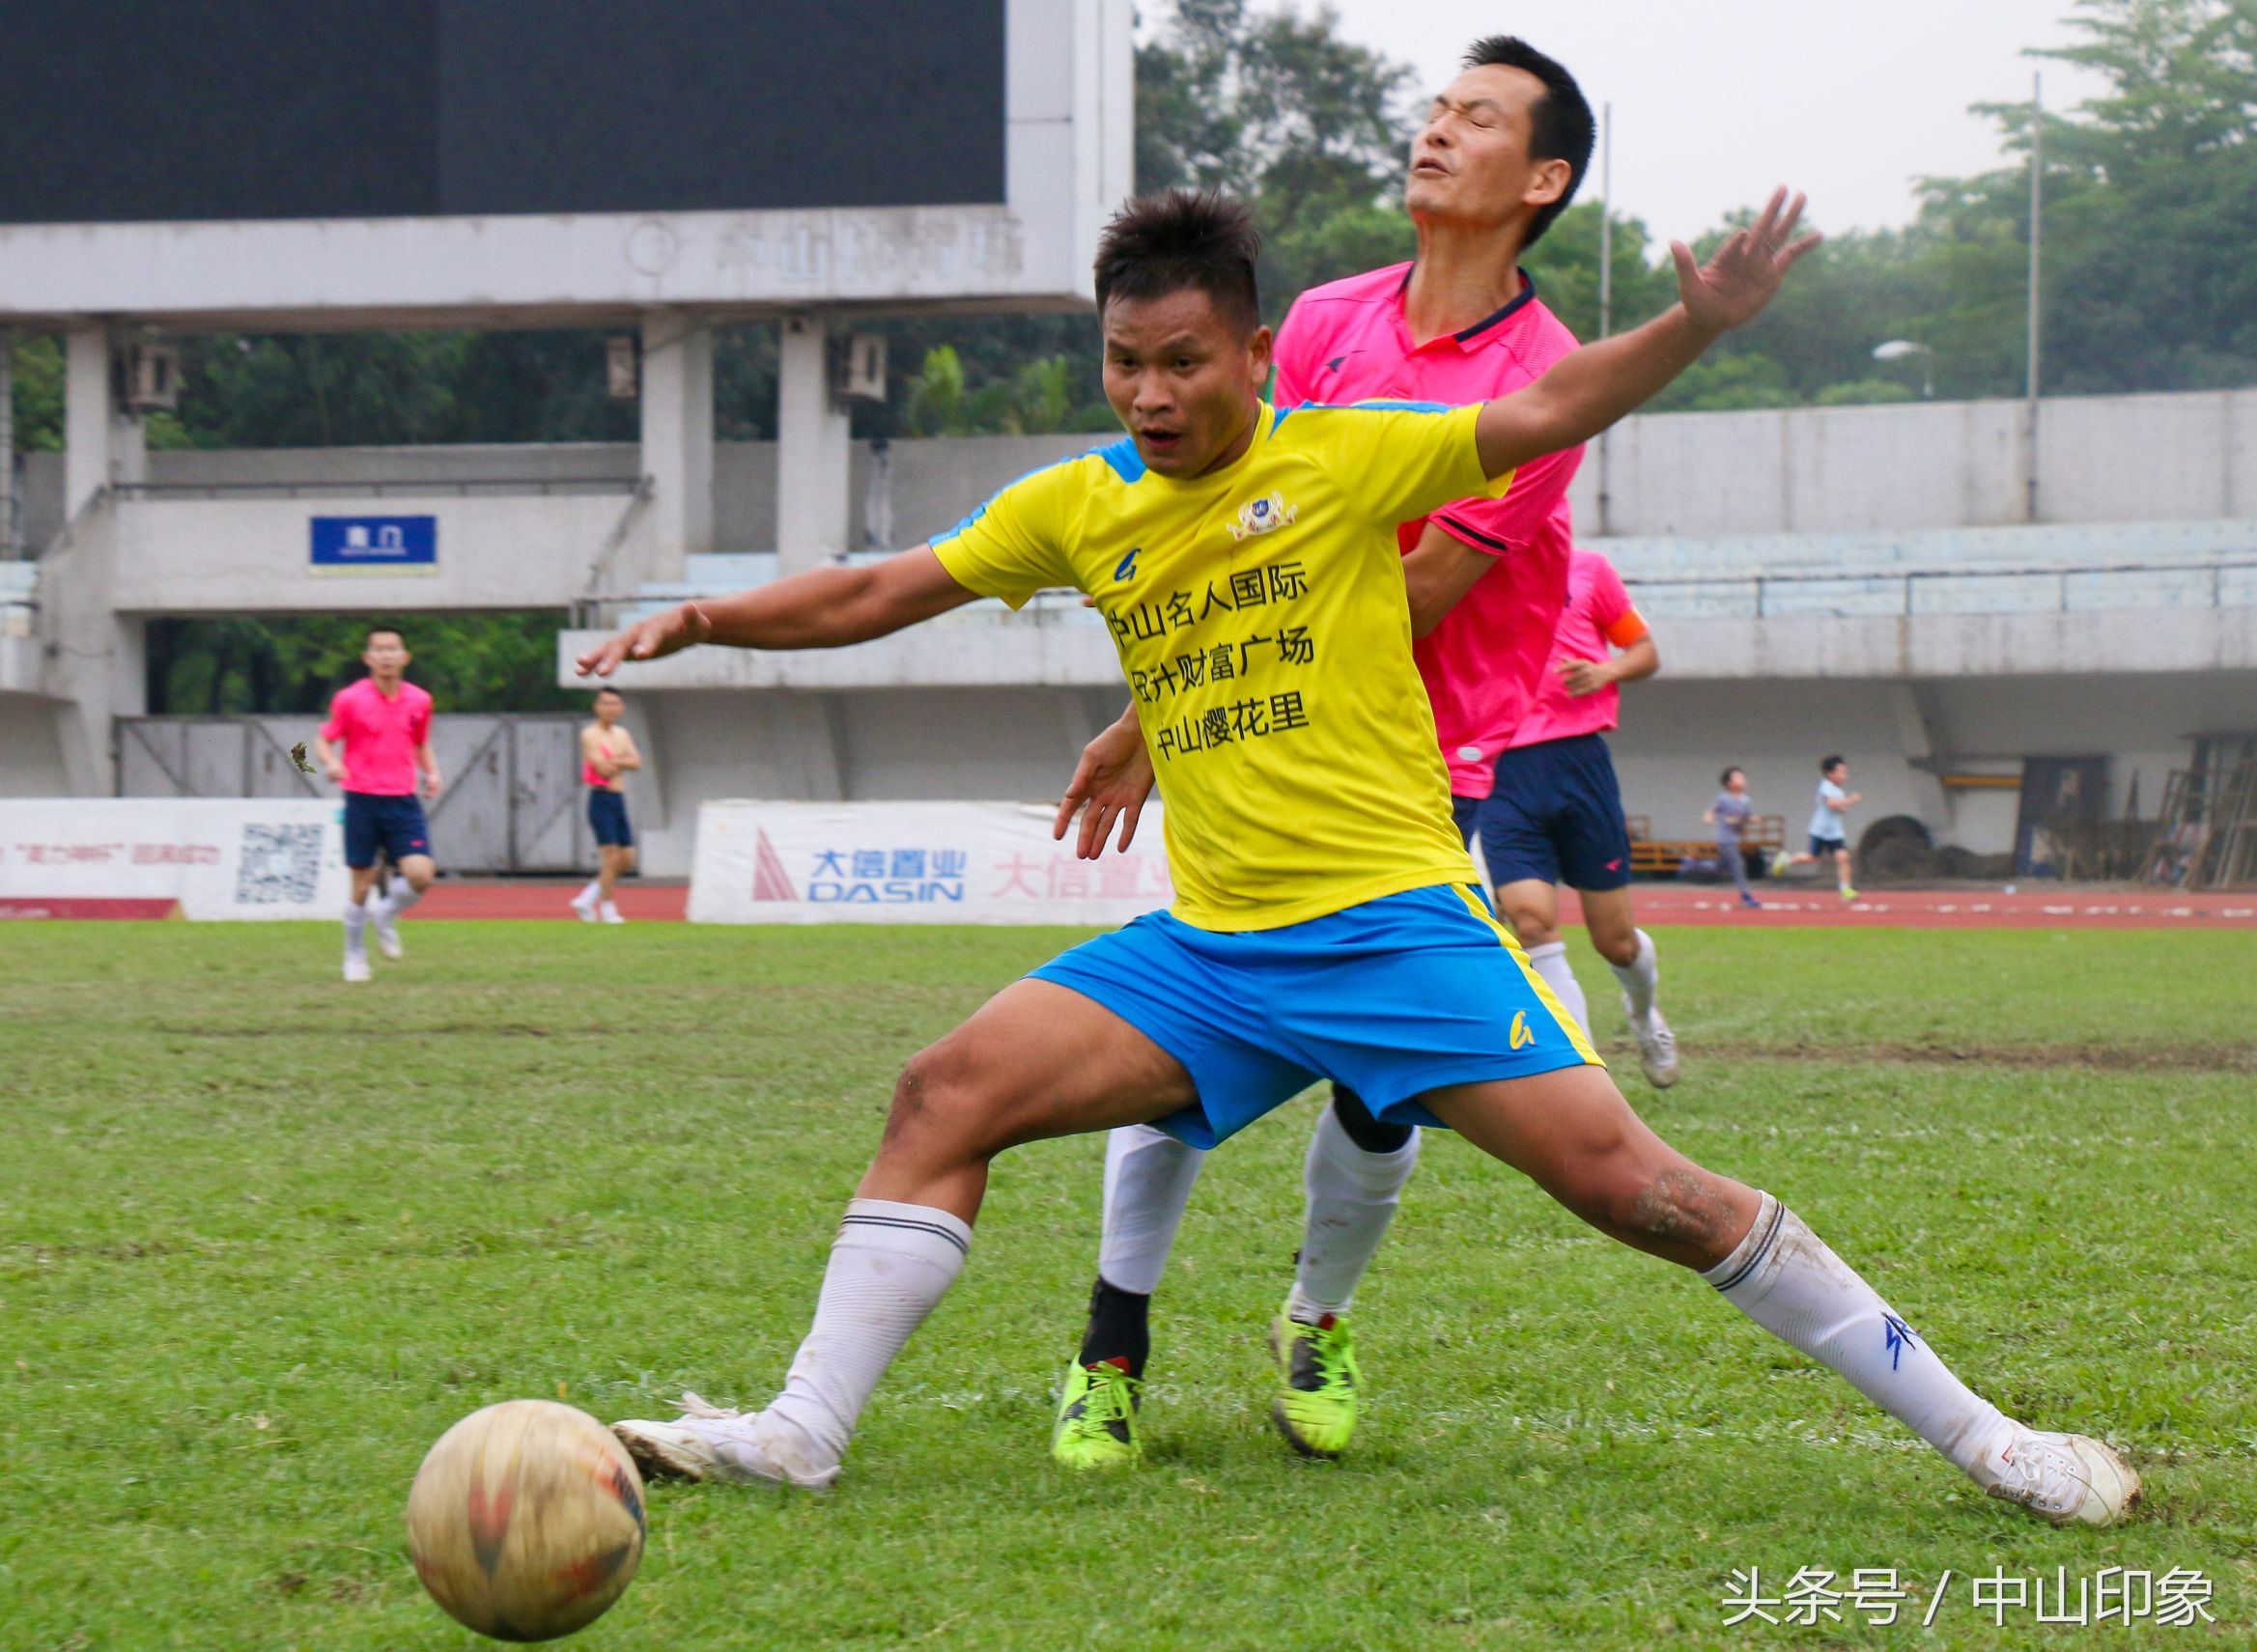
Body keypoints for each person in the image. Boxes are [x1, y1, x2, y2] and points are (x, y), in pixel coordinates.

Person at [586, 189, 2135, 1527]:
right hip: (1208, 953)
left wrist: (1696, 323)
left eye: (1183, 359)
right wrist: (708, 618)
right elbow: (880, 589)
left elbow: (1544, 413)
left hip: (1395, 933)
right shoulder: (1082, 502)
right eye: (1124, 362)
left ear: (1255, 352)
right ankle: (799, 1432)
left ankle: (1994, 1438)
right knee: (945, 1090)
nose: (1149, 392)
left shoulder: (1344, 460)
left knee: (1645, 1193)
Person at [1045, 34, 1601, 1469]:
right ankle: (1113, 1339)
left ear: (1540, 179)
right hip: (1256, 758)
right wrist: (1168, 718)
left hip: (1433, 769)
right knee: (1169, 1040)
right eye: (1433, 109)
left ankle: (1317, 1317)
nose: (1433, 133)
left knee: (1378, 1085)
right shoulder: (1319, 318)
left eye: (1474, 119)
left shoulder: (1547, 375)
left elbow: (1416, 588)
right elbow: (1214, 522)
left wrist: (1175, 705)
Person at [1484, 546, 1672, 1085]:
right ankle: (1588, 1082)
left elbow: (1644, 649)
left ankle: (1643, 1015)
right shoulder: (1467, 567)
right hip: (1503, 770)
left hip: (1580, 764)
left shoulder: (1588, 569)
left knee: (1615, 941)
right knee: (1531, 921)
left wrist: (1606, 669)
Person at [315, 628, 441, 983]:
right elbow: (322, 741)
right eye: (379, 650)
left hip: (403, 798)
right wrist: (331, 763)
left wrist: (432, 773)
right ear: (368, 658)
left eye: (393, 650)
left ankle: (385, 914)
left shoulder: (420, 700)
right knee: (361, 882)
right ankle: (354, 954)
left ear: (405, 657)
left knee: (421, 874)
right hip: (362, 798)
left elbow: (420, 743)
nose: (386, 656)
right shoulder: (350, 699)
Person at [572, 686, 642, 924]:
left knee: (627, 860)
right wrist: (622, 760)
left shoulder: (622, 734)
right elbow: (603, 768)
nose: (610, 708)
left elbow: (637, 762)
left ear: (621, 707)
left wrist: (616, 760)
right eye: (605, 703)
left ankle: (587, 896)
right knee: (611, 858)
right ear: (597, 707)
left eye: (614, 703)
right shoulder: (590, 734)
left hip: (618, 799)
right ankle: (608, 908)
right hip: (601, 798)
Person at [1777, 755, 1861, 900]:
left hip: (1835, 832)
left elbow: (1839, 807)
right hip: (1820, 831)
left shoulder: (1839, 792)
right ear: (1830, 774)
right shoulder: (1825, 785)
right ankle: (1786, 861)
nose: (1844, 776)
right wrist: (1850, 800)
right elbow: (1831, 804)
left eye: (1845, 772)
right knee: (1812, 857)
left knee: (1843, 857)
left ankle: (1845, 889)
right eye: (1840, 772)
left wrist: (1843, 806)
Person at [1706, 766, 1762, 908]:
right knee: (1738, 865)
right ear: (1729, 784)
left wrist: (1751, 819)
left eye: (1743, 777)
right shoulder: (1723, 799)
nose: (1743, 780)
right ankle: (1746, 896)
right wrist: (1709, 817)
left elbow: (1744, 818)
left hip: (1735, 838)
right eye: (1738, 778)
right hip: (1725, 838)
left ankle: (1701, 870)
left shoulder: (1746, 801)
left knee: (1721, 867)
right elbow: (1713, 810)